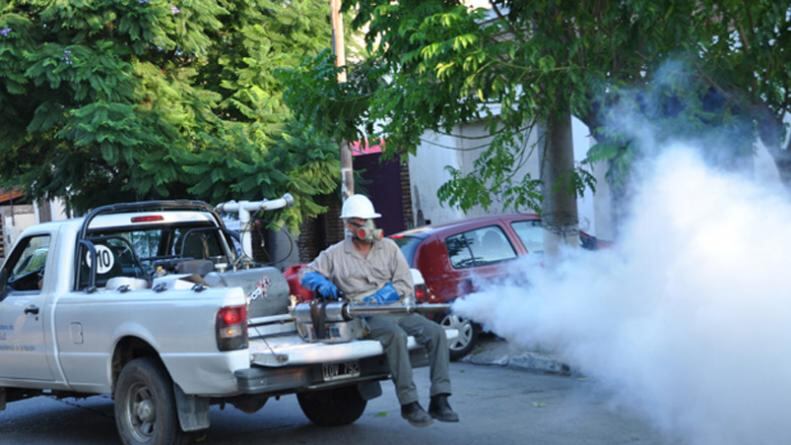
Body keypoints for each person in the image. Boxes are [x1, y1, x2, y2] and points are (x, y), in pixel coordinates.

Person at [301, 194, 459, 427]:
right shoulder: (335, 254)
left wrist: (384, 296)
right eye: (358, 222)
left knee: (435, 333)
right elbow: (307, 274)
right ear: (348, 225)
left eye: (368, 220)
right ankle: (409, 403)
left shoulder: (389, 248)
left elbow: (404, 283)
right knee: (396, 336)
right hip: (364, 315)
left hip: (395, 308)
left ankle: (440, 399)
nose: (364, 226)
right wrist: (322, 284)